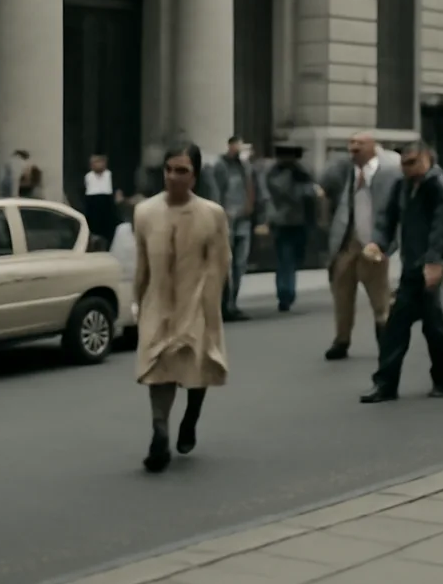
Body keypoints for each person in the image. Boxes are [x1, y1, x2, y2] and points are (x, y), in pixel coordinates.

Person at [133, 141, 231, 473]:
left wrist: (213, 306)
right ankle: (159, 431)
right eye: (169, 170)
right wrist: (138, 300)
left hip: (198, 301)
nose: (173, 177)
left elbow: (220, 263)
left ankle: (191, 416)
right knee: (158, 367)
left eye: (182, 171)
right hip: (158, 303)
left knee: (198, 364)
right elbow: (141, 263)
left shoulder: (211, 213)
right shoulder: (145, 212)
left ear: (195, 176)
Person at [359, 140, 443, 404]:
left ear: (428, 159)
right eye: (404, 163)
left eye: (413, 162)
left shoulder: (438, 187)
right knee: (395, 329)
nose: (408, 168)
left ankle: (442, 378)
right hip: (410, 270)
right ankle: (385, 385)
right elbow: (387, 219)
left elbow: (441, 227)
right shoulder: (401, 186)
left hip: (431, 269)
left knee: (436, 329)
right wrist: (377, 243)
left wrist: (434, 262)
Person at [320, 133, 401, 360]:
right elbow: (324, 190)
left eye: (360, 143)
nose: (354, 148)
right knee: (342, 295)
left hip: (374, 243)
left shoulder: (388, 170)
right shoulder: (344, 170)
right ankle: (341, 339)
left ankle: (385, 339)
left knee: (379, 296)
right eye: (352, 143)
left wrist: (388, 242)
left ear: (373, 147)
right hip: (347, 242)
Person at [262, 141, 317, 312]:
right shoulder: (275, 173)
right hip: (283, 221)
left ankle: (286, 291)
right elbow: (281, 192)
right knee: (285, 258)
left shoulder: (302, 172)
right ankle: (285, 293)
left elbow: (311, 194)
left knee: (295, 257)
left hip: (300, 221)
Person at [212, 135, 257, 322]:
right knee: (226, 264)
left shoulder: (245, 167)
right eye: (236, 145)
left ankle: (232, 303)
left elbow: (253, 189)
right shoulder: (220, 166)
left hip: (244, 219)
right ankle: (224, 304)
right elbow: (216, 191)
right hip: (226, 220)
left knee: (240, 263)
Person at [83, 153, 121, 247]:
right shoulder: (87, 177)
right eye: (95, 162)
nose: (98, 164)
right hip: (93, 208)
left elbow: (117, 194)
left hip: (107, 208)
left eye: (100, 161)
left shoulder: (111, 175)